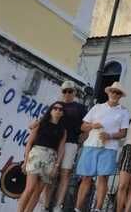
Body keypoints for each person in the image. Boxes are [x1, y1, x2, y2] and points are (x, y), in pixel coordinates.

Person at [74, 82, 131, 212]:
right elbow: (83, 126)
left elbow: (123, 133)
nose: (115, 94)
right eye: (113, 91)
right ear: (108, 92)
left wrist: (109, 135)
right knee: (86, 178)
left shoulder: (124, 112)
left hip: (109, 148)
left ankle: (98, 209)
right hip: (91, 145)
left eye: (118, 93)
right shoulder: (97, 107)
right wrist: (92, 126)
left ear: (120, 96)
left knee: (103, 178)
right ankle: (77, 208)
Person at [18, 102, 67, 212]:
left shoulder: (63, 131)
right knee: (30, 188)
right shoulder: (40, 124)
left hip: (50, 159)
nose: (58, 111)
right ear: (50, 110)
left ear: (62, 113)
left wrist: (56, 166)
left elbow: (61, 149)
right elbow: (29, 143)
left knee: (38, 192)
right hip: (36, 155)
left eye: (60, 109)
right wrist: (26, 161)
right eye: (55, 108)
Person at [47, 81, 87, 212]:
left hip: (71, 143)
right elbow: (46, 121)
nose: (67, 94)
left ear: (75, 92)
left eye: (70, 91)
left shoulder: (80, 108)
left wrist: (81, 140)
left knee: (65, 174)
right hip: (54, 143)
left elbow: (87, 125)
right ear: (61, 92)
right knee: (50, 174)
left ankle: (58, 205)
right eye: (65, 91)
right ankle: (46, 205)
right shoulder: (56, 106)